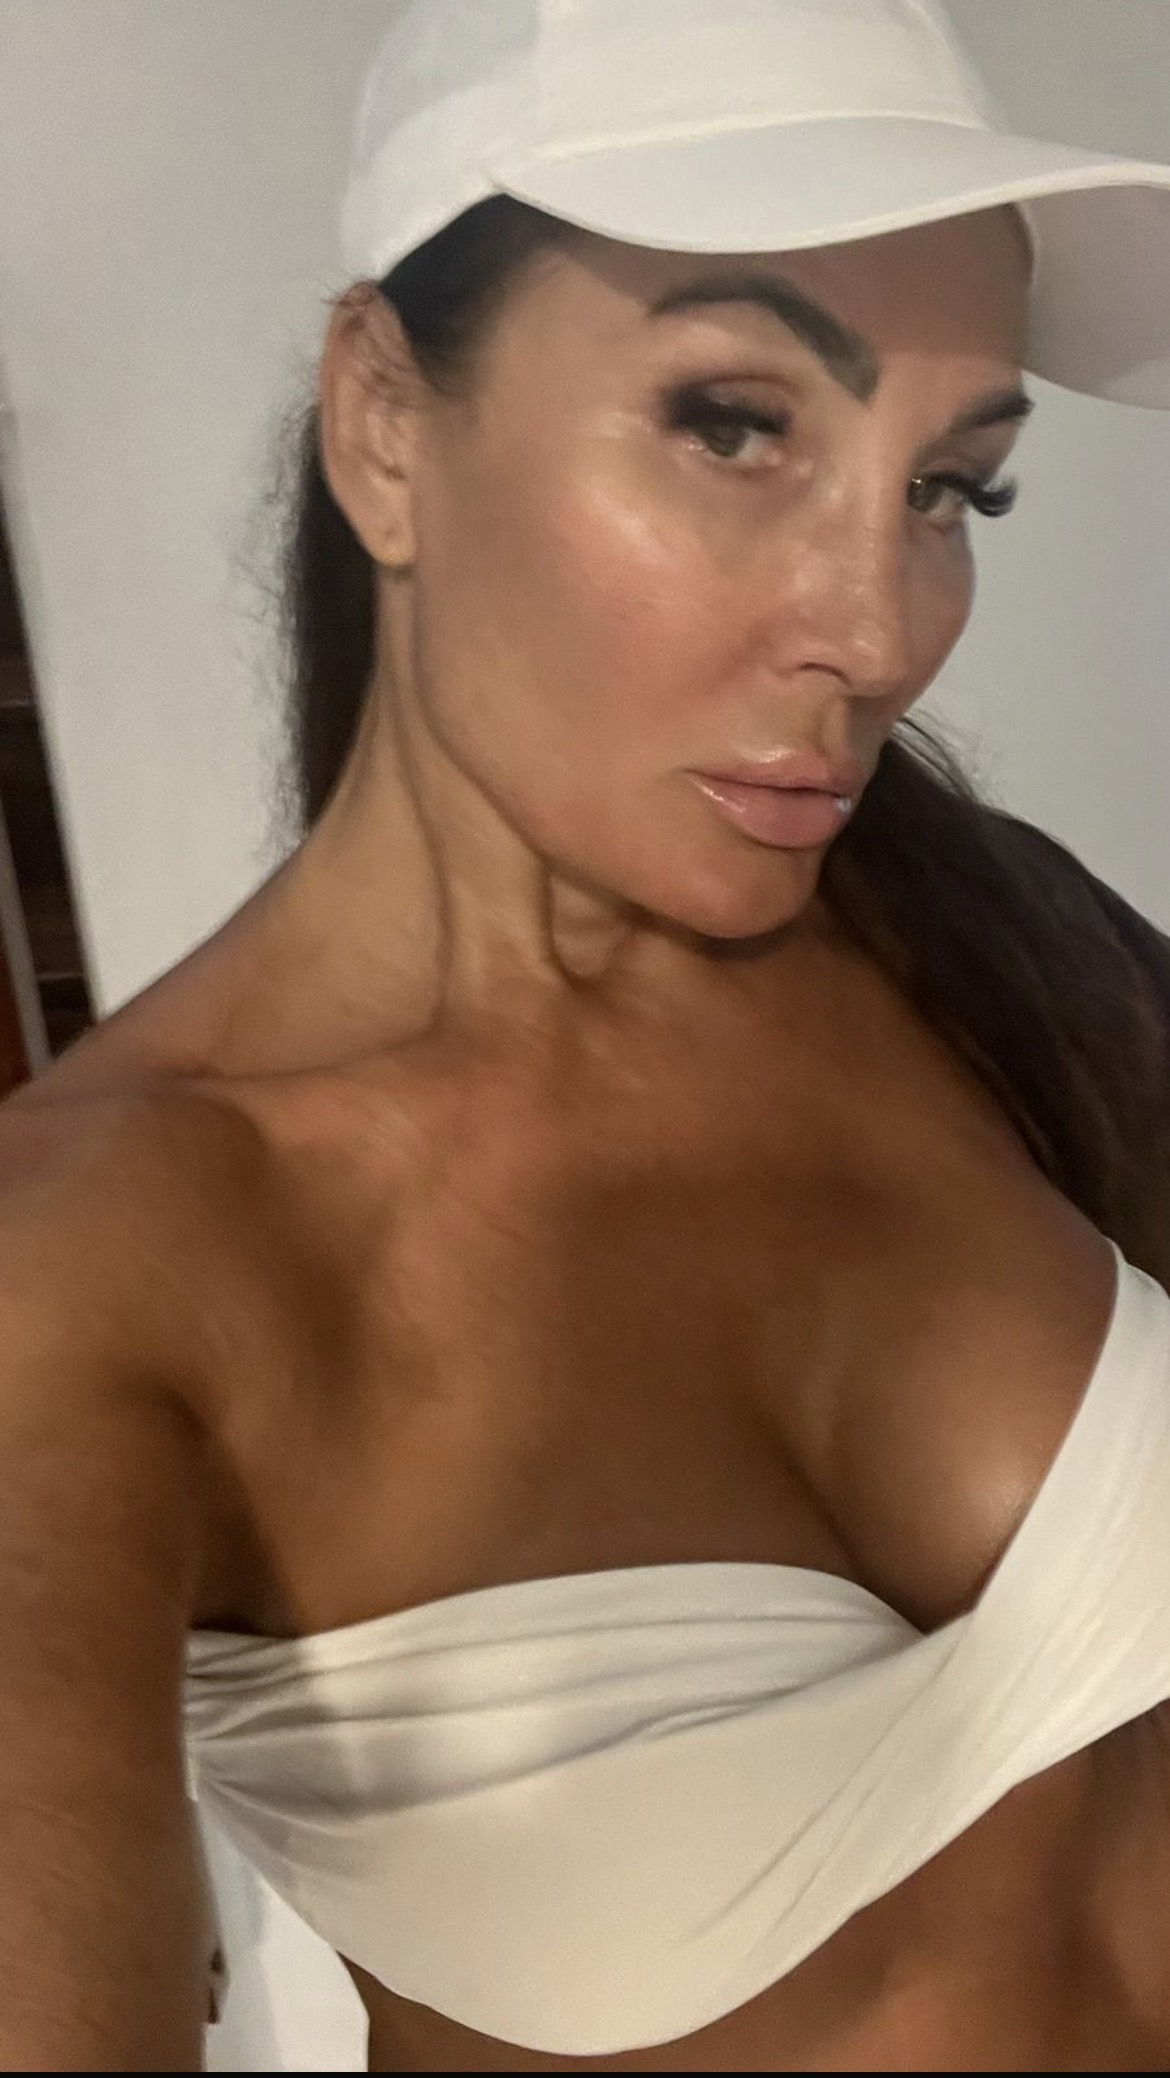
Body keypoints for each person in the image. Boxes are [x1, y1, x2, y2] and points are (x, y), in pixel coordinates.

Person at [3, 0, 1170, 2068]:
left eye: (950, 489)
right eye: (734, 425)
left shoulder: (991, 939)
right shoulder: (91, 1270)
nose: (877, 630)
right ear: (383, 421)